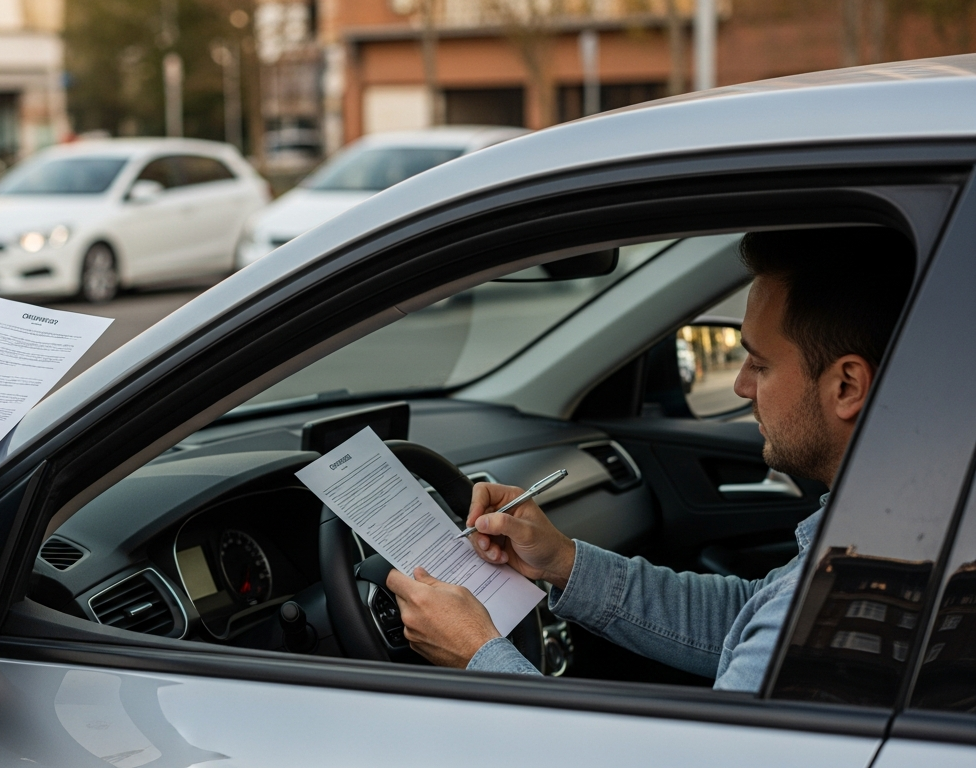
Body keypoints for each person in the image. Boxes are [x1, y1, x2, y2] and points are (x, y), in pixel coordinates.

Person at [386, 227, 915, 690]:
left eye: (760, 363)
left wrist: (478, 654)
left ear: (846, 385)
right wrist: (563, 562)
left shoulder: (841, 594)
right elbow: (750, 619)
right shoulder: (898, 528)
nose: (740, 385)